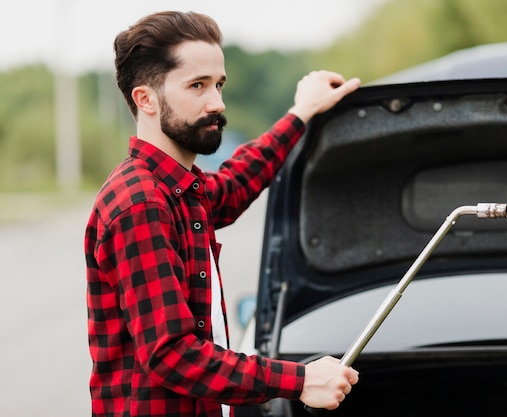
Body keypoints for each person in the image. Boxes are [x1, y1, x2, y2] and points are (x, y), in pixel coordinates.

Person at [84, 10, 361, 417]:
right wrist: (301, 381)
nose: (217, 102)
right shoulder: (140, 203)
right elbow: (172, 354)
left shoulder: (179, 189)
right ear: (146, 99)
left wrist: (301, 113)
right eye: (197, 86)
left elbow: (234, 184)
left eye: (218, 84)